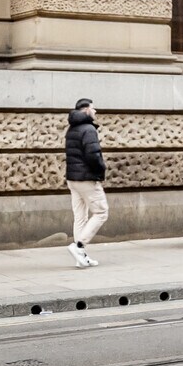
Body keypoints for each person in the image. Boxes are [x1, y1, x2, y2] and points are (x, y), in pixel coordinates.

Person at [65, 98, 107, 267]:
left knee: (80, 217)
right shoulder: (89, 129)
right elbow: (93, 155)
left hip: (73, 178)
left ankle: (80, 256)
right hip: (86, 178)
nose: (95, 111)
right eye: (92, 108)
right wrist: (100, 171)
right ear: (86, 110)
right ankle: (79, 246)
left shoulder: (72, 128)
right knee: (101, 212)